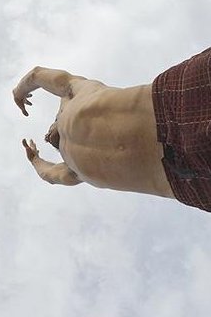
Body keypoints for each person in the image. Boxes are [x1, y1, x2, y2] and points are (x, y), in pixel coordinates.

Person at [13, 47, 211, 213]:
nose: (47, 137)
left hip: (171, 105)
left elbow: (36, 74)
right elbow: (49, 175)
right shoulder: (72, 170)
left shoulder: (72, 94)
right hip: (186, 177)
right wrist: (35, 159)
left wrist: (18, 91)